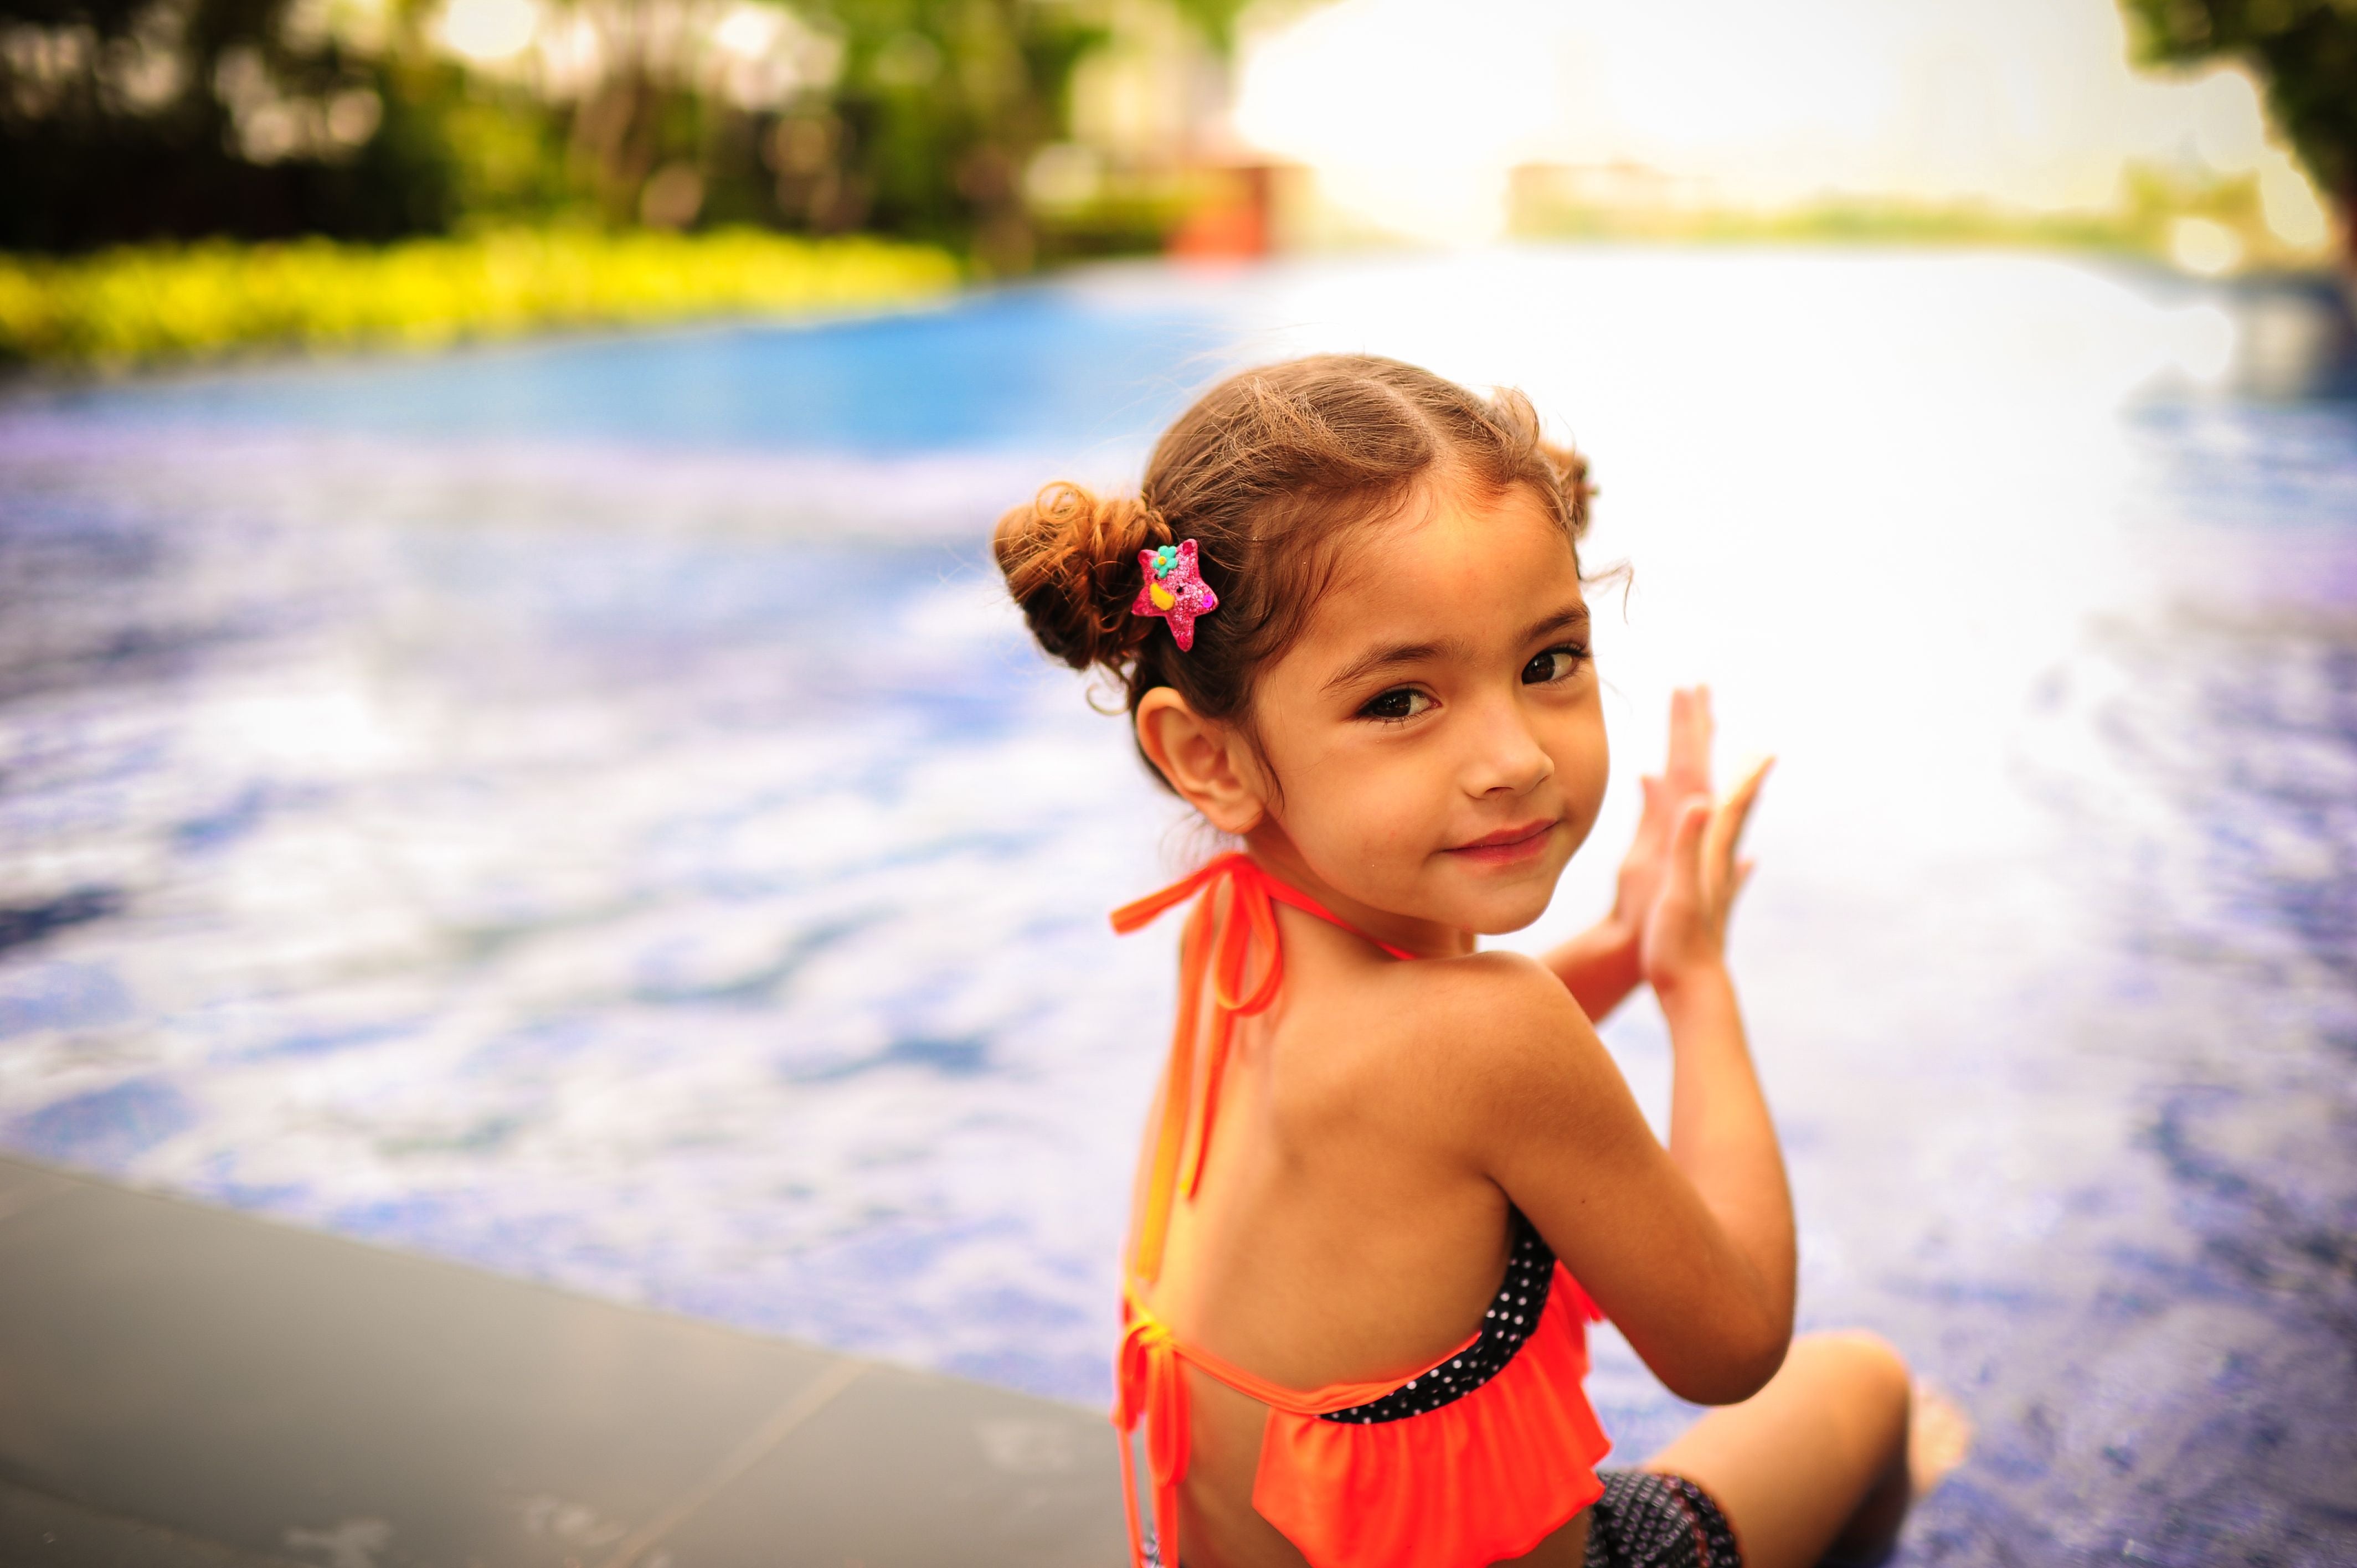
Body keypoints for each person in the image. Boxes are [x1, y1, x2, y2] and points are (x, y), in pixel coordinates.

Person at [993, 355, 1967, 1568]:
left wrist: (1614, 946)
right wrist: (1692, 977)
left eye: (1547, 662)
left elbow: (1417, 1085)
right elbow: (1736, 1345)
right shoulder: (1495, 1034)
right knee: (1861, 1390)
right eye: (1402, 700)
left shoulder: (1230, 933)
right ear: (1210, 757)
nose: (1511, 756)